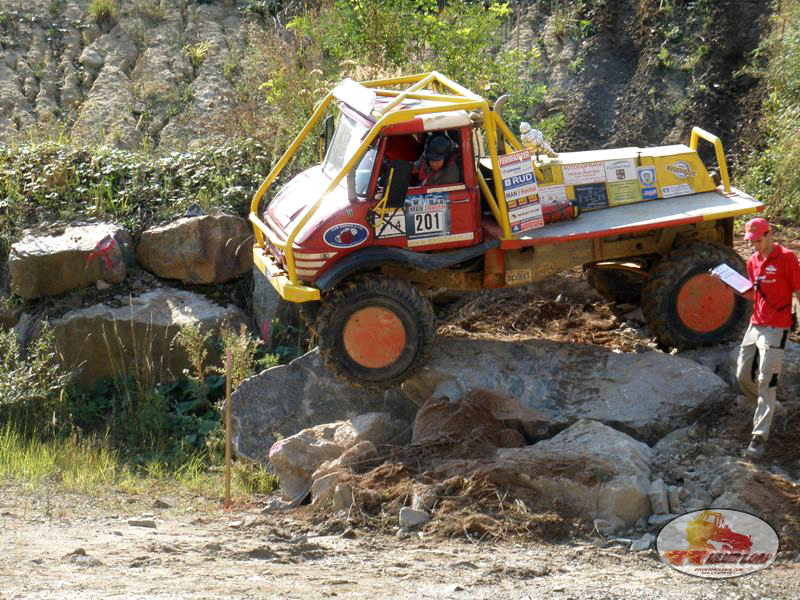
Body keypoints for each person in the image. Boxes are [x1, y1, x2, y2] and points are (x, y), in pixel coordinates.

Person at [734, 217, 800, 459]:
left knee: (765, 379)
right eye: (751, 242)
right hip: (755, 325)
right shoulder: (753, 260)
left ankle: (758, 438)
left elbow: (798, 290)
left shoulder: (787, 258)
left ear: (769, 234)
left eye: (758, 241)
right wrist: (731, 286)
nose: (754, 246)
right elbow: (755, 295)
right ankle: (775, 408)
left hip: (777, 327)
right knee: (742, 376)